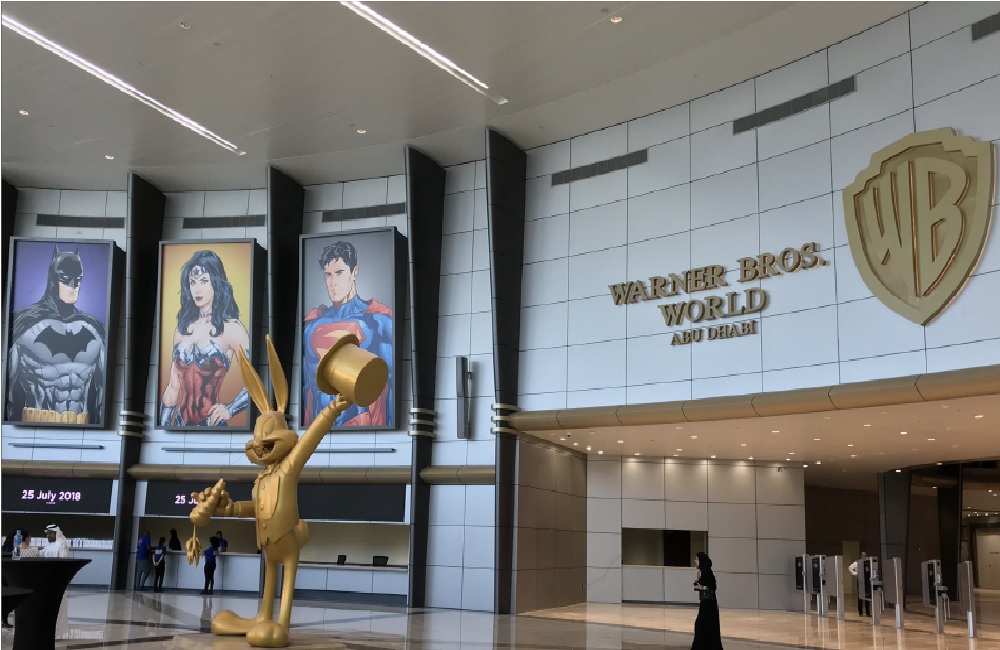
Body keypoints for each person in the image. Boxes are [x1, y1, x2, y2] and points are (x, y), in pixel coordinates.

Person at [6, 246, 107, 425]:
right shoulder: (24, 323)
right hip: (36, 420)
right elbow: (7, 389)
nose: (74, 285)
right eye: (65, 278)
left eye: (78, 279)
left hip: (82, 422)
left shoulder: (95, 329)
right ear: (53, 279)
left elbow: (102, 393)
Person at [302, 240, 393, 427]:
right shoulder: (311, 324)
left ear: (354, 272)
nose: (333, 283)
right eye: (328, 274)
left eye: (339, 273)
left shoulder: (378, 322)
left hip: (361, 424)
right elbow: (306, 387)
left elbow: (389, 384)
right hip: (319, 426)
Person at [159, 250, 250, 427]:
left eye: (203, 281)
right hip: (180, 423)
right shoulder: (182, 329)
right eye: (192, 282)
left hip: (212, 425)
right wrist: (162, 429)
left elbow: (255, 383)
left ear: (216, 282)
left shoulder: (232, 328)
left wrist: (230, 409)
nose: (197, 289)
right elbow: (173, 387)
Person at [691, 551, 723, 650]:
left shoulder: (706, 572)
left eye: (697, 559)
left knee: (702, 625)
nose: (695, 561)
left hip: (708, 604)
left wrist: (701, 587)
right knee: (705, 625)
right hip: (707, 603)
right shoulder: (704, 571)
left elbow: (712, 586)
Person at [848, 551, 871, 616]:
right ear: (861, 556)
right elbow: (850, 568)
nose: (864, 557)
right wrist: (855, 573)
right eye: (863, 555)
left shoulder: (868, 562)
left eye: (865, 555)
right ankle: (860, 612)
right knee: (860, 597)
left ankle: (868, 612)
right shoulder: (857, 563)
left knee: (867, 596)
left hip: (867, 581)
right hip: (860, 581)